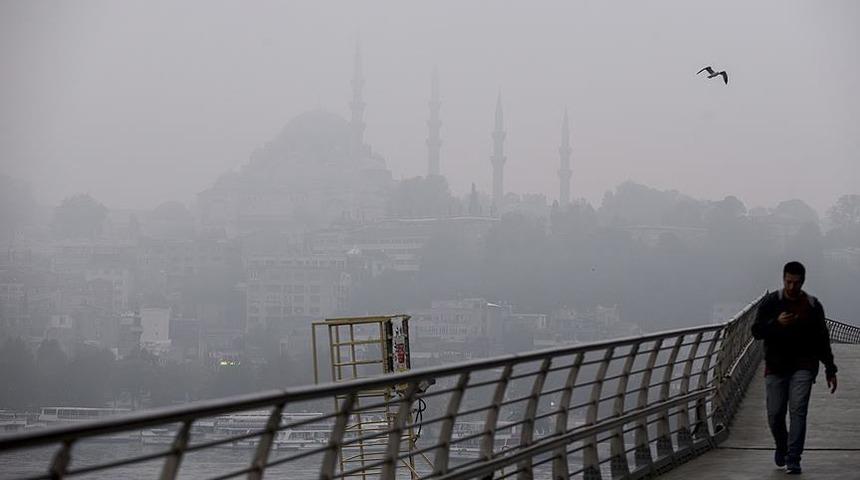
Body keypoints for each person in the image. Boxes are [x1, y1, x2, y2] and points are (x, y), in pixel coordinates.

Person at [751, 261, 837, 474]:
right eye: (788, 282)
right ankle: (782, 445)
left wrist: (830, 368)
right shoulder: (771, 302)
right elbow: (756, 331)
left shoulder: (812, 305)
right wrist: (776, 323)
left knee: (798, 410)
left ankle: (793, 457)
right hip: (775, 366)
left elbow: (822, 339)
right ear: (783, 279)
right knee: (775, 414)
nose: (791, 287)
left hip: (804, 365)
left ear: (802, 282)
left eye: (796, 283)